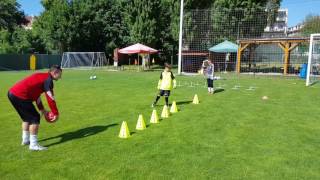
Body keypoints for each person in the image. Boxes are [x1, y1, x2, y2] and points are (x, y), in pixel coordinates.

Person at [8, 65, 62, 151]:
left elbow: (36, 95)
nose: (60, 77)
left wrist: (42, 109)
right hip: (21, 95)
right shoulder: (48, 81)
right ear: (55, 72)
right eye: (60, 74)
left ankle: (25, 140)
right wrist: (55, 113)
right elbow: (50, 98)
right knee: (35, 118)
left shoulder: (42, 76)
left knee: (26, 118)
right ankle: (33, 145)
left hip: (12, 93)